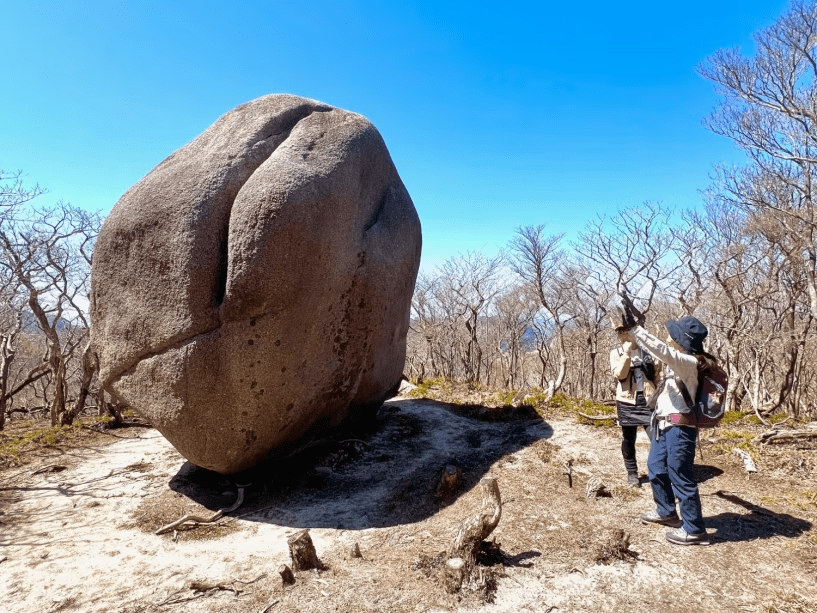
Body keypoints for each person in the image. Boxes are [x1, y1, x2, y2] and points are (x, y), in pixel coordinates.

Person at [619, 312, 715, 546]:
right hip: (664, 425)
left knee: (680, 476)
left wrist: (636, 329)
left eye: (673, 335)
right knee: (655, 467)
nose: (669, 337)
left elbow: (661, 350)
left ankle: (694, 529)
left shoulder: (689, 362)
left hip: (680, 428)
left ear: (682, 341)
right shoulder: (679, 361)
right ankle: (667, 512)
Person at [609, 331, 658, 487]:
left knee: (656, 438)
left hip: (648, 400)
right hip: (626, 400)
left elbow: (658, 376)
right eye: (619, 334)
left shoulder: (648, 353)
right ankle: (632, 474)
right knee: (629, 439)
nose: (622, 337)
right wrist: (626, 353)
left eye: (626, 333)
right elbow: (620, 375)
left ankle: (658, 471)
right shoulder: (615, 353)